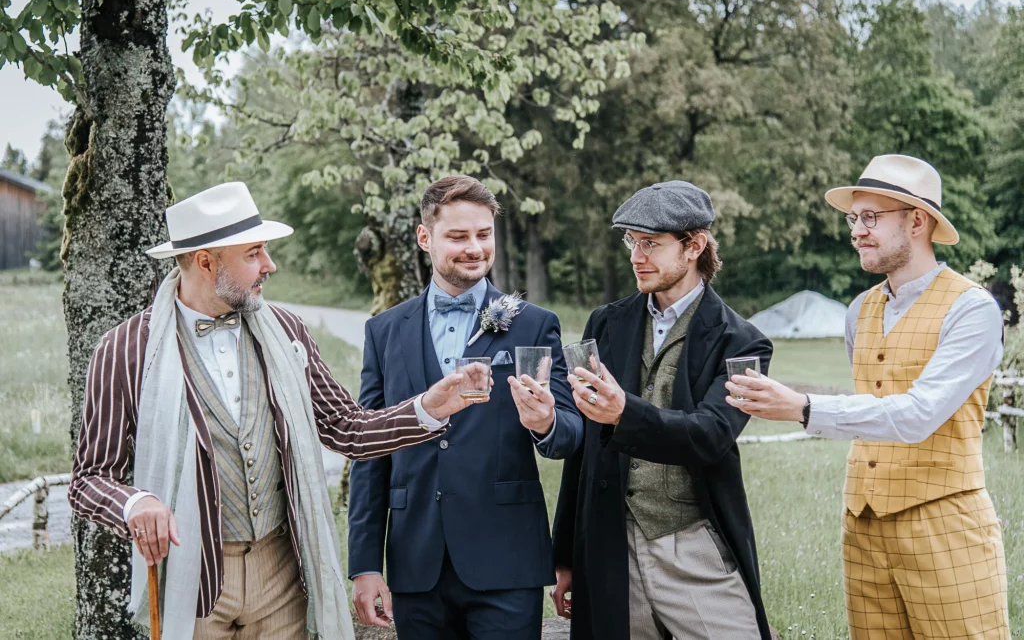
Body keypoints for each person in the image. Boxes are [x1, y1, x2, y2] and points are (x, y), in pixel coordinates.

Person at [68, 181, 482, 640]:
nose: (271, 265)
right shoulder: (127, 348)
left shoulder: (287, 331)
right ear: (206, 262)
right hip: (193, 577)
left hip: (282, 573)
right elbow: (88, 480)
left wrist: (427, 407)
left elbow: (347, 428)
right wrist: (134, 502)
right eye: (254, 254)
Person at [726, 154, 1010, 639]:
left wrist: (803, 406)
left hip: (945, 528)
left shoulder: (972, 309)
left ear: (917, 221)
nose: (856, 230)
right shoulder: (858, 311)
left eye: (871, 218)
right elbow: (873, 401)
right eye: (853, 218)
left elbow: (920, 413)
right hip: (863, 527)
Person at [347, 175, 583, 639]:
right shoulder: (385, 331)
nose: (474, 248)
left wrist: (547, 422)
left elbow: (572, 435)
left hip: (506, 560)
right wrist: (364, 564)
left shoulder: (535, 325)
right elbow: (370, 447)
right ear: (425, 237)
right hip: (416, 562)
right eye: (457, 236)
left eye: (483, 234)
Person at [552, 180, 774, 640]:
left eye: (651, 244)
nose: (637, 256)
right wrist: (565, 556)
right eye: (632, 241)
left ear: (694, 246)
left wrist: (622, 414)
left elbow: (711, 435)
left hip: (692, 543)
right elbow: (586, 451)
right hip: (611, 543)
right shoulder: (606, 322)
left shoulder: (743, 341)